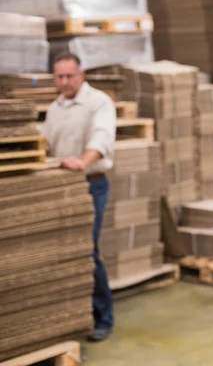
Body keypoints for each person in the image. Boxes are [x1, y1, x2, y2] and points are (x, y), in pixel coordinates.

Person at [42, 52, 117, 342]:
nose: (64, 82)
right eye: (59, 77)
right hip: (61, 187)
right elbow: (47, 146)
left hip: (91, 183)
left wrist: (82, 162)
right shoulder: (54, 108)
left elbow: (102, 138)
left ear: (81, 75)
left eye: (69, 76)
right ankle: (70, 316)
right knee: (62, 250)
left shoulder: (99, 102)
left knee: (87, 250)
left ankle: (103, 317)